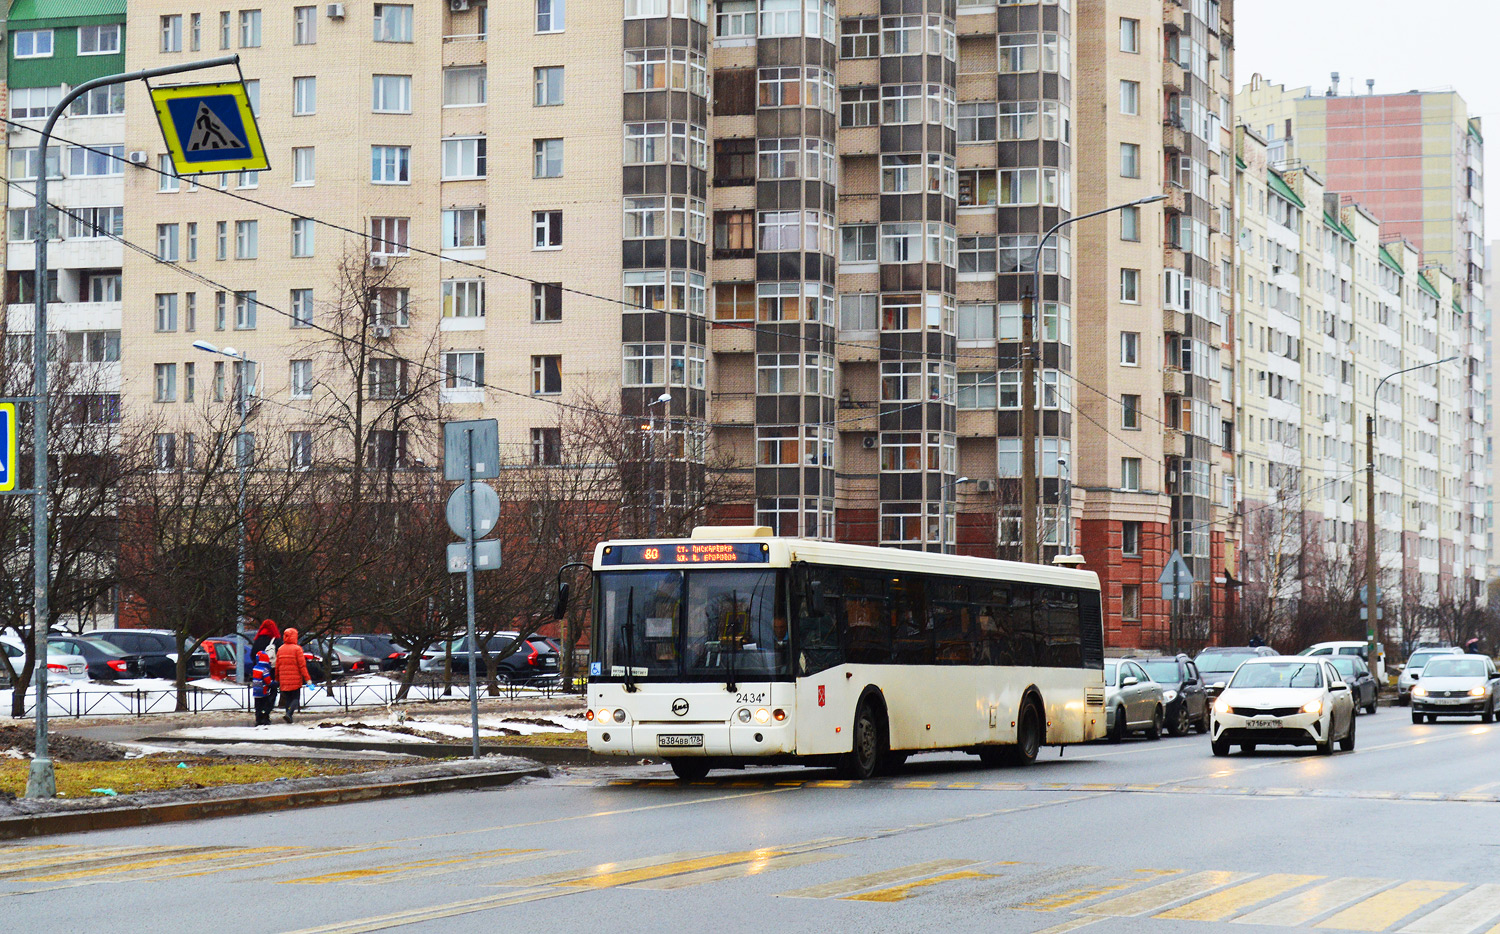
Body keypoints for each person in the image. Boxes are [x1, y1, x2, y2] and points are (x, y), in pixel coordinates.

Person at [275, 627, 311, 723]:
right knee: (295, 698)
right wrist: (308, 679)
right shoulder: (297, 649)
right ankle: (289, 713)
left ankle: (288, 716)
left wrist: (277, 678)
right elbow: (302, 666)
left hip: (283, 679)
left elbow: (277, 666)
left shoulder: (280, 649)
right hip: (295, 679)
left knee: (288, 699)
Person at [251, 619, 281, 710]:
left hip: (258, 672)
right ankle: (266, 712)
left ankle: (259, 713)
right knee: (272, 690)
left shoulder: (258, 640)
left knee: (259, 692)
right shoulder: (276, 640)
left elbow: (252, 654)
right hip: (271, 671)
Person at [251, 650, 276, 726]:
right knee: (265, 704)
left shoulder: (255, 668)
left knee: (258, 706)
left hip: (256, 691)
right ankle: (265, 719)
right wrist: (274, 683)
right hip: (263, 690)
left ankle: (258, 719)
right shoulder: (264, 670)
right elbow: (268, 681)